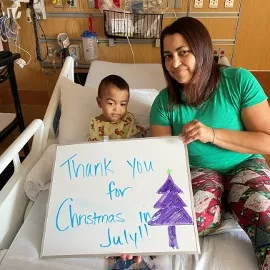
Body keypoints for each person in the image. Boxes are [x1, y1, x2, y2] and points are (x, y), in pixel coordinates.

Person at [122, 17, 270, 269]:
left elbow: (267, 142)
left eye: (183, 52)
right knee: (189, 218)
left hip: (245, 163)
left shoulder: (238, 81)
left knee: (262, 211)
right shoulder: (164, 103)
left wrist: (212, 133)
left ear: (202, 50)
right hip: (198, 171)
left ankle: (235, 200)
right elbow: (161, 165)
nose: (174, 63)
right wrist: (137, 234)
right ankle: (224, 203)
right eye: (168, 56)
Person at [87, 74, 146, 141]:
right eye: (111, 103)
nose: (117, 109)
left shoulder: (128, 119)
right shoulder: (95, 124)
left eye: (122, 104)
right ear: (99, 102)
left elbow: (139, 139)